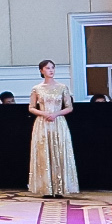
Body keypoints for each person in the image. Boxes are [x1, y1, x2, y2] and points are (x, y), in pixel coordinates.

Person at [26, 59, 78, 197]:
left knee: (59, 151)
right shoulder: (37, 88)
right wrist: (44, 113)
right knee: (44, 153)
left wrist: (56, 114)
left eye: (52, 68)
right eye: (48, 68)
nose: (51, 70)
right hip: (42, 123)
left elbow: (69, 107)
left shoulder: (62, 87)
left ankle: (59, 188)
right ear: (41, 71)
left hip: (58, 122)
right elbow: (31, 107)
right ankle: (46, 188)